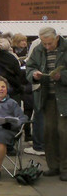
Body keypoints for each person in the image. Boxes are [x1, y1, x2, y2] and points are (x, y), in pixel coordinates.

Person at [25, 27, 67, 181]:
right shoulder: (38, 50)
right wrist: (34, 76)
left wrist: (61, 76)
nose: (47, 47)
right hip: (46, 96)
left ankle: (65, 167)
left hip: (64, 97)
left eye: (50, 43)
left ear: (56, 38)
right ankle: (53, 166)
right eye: (44, 43)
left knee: (63, 132)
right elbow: (29, 67)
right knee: (49, 132)